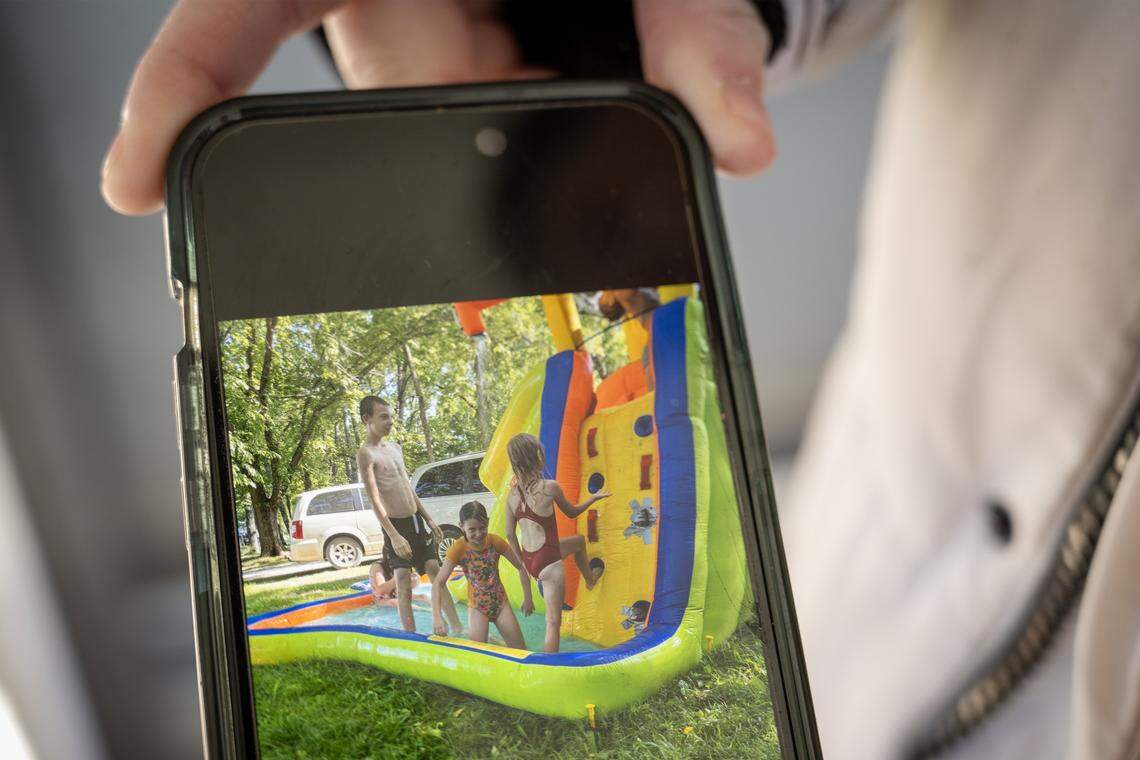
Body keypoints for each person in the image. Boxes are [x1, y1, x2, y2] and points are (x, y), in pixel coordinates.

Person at [103, 2, 1140, 758]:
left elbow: (539, 506)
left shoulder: (530, 470)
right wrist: (594, 20)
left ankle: (530, 644)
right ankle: (516, 641)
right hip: (877, 568)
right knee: (500, 600)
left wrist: (554, 514)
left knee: (527, 604)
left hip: (847, 607)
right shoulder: (447, 476)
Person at [355, 395, 462, 636]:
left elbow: (408, 490)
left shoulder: (395, 448)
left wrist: (429, 519)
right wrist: (393, 535)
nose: (390, 422)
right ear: (367, 419)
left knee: (436, 572)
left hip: (415, 521)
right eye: (383, 417)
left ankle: (457, 627)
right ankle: (411, 637)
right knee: (403, 582)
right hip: (395, 525)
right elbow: (374, 499)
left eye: (391, 416)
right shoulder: (366, 454)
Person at [504, 433, 609, 653]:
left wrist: (523, 564)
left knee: (578, 542)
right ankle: (547, 667)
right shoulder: (549, 487)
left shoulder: (512, 496)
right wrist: (593, 498)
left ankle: (589, 579)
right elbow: (572, 513)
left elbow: (509, 534)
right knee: (553, 623)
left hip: (532, 560)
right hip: (550, 563)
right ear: (538, 457)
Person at [432, 501, 532, 649]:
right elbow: (438, 583)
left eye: (482, 528)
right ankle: (495, 642)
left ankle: (498, 643)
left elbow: (521, 567)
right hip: (477, 607)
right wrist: (437, 617)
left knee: (520, 651)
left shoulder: (495, 542)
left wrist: (528, 598)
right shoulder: (458, 548)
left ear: (487, 523)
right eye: (472, 529)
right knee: (478, 653)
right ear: (461, 526)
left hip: (500, 603)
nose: (478, 534)